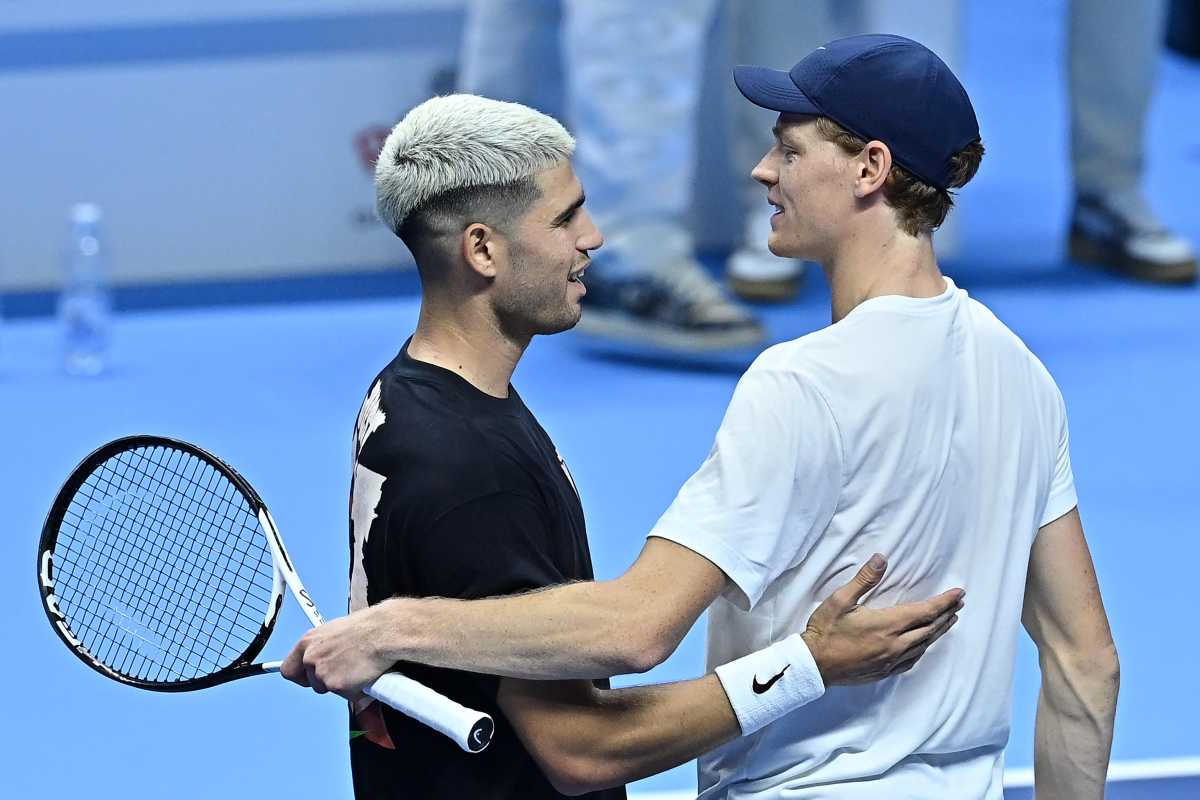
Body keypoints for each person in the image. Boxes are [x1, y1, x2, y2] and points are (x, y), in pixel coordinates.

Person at [287, 37, 1120, 799]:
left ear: (871, 168)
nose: (763, 170)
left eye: (790, 150)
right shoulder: (1021, 373)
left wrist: (395, 627)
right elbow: (1087, 665)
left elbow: (635, 628)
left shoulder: (800, 384)